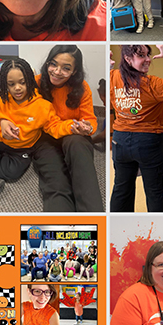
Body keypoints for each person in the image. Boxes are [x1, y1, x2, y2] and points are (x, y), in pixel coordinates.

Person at [0, 58, 81, 212]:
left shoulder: (42, 106)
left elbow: (54, 126)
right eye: (11, 84)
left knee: (11, 173)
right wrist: (2, 127)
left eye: (22, 82)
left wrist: (72, 127)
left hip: (22, 149)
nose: (17, 88)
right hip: (1, 142)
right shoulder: (1, 101)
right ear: (5, 85)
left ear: (30, 81)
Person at [109, 45, 163, 212]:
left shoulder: (113, 76)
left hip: (120, 141)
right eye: (141, 55)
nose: (148, 59)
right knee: (154, 192)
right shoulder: (151, 84)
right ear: (127, 59)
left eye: (148, 54)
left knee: (121, 190)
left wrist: (108, 66)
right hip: (147, 142)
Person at [33, 45, 101, 212]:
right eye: (53, 64)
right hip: (45, 137)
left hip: (74, 136)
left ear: (74, 71)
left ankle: (93, 219)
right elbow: (46, 123)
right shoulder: (36, 83)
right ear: (47, 63)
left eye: (66, 68)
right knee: (56, 183)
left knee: (84, 176)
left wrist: (87, 127)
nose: (57, 72)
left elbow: (90, 119)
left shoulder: (82, 87)